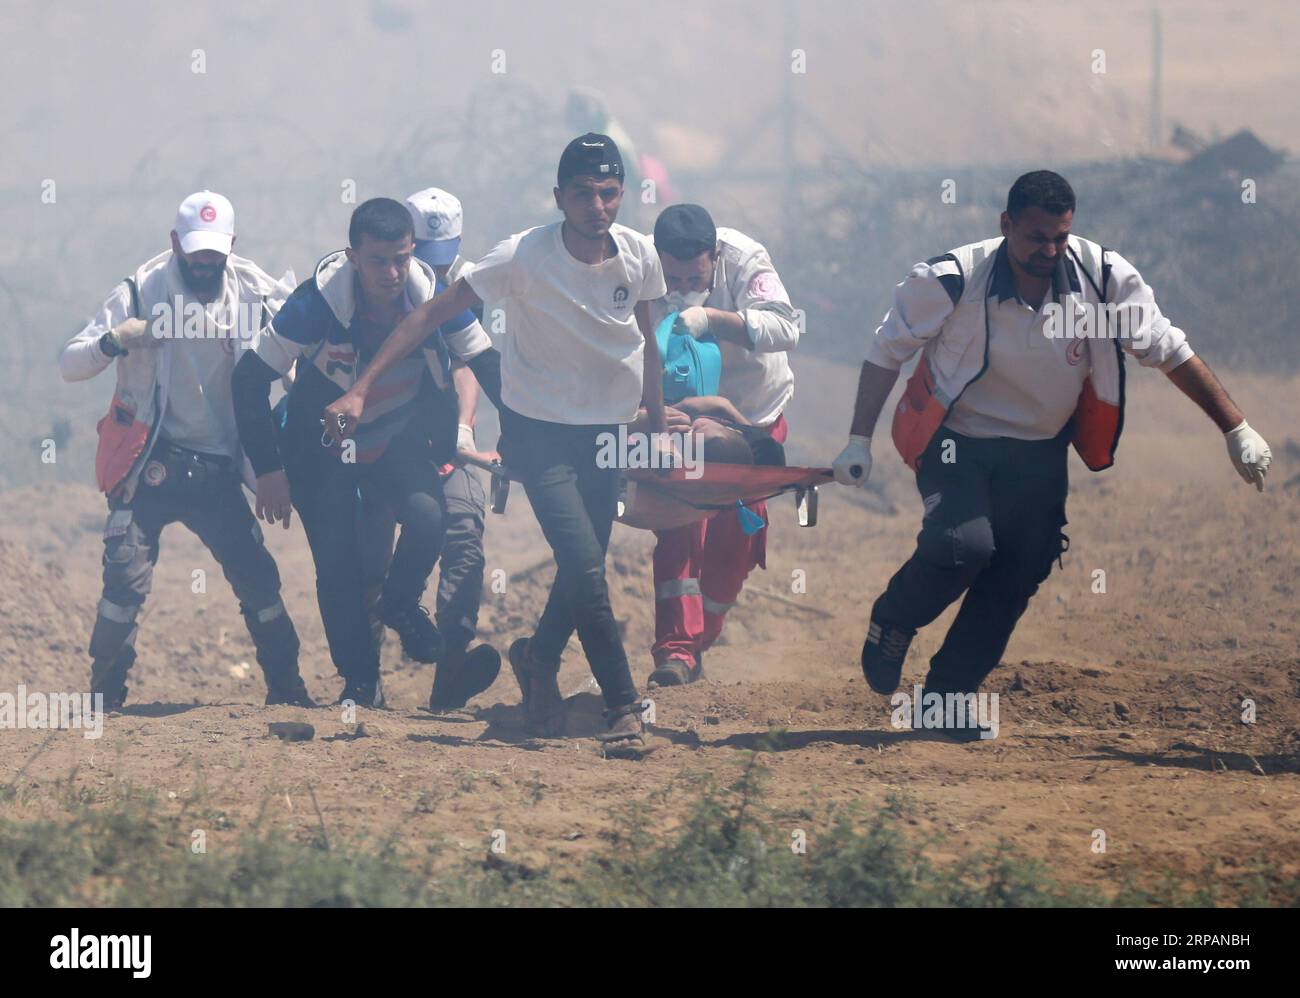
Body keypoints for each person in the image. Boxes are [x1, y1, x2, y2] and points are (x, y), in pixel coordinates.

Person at [831, 170, 1273, 740]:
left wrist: (1235, 428)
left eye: (1060, 237)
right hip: (955, 440)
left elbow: (1166, 348)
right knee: (963, 545)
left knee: (1020, 566)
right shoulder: (952, 279)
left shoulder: (1105, 279)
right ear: (1005, 225)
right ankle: (894, 618)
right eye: (1036, 237)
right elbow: (885, 349)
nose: (1049, 251)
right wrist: (858, 439)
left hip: (1040, 449)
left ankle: (944, 699)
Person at [324, 134, 670, 752]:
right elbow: (428, 318)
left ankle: (537, 660)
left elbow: (650, 345)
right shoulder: (523, 256)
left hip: (608, 436)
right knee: (587, 567)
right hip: (539, 437)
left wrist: (661, 423)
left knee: (578, 565)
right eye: (584, 193)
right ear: (559, 196)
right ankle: (622, 704)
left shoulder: (640, 256)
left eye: (609, 192)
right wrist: (361, 390)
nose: (598, 205)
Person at [231, 198, 500, 709]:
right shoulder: (316, 303)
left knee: (428, 518)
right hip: (320, 448)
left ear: (413, 252)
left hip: (394, 437)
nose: (392, 273)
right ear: (354, 257)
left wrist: (524, 432)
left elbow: (485, 360)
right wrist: (269, 471)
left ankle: (401, 606)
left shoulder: (433, 295)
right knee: (337, 566)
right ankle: (358, 686)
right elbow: (248, 378)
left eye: (401, 258)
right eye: (378, 261)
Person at [60, 191, 310, 710]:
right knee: (123, 582)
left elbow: (300, 354)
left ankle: (288, 690)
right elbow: (71, 362)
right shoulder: (141, 288)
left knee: (258, 581)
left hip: (218, 467)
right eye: (195, 252)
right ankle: (105, 699)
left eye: (215, 254)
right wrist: (115, 341)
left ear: (231, 246)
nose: (204, 263)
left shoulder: (252, 291)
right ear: (175, 242)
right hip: (148, 464)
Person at [354, 187, 501, 712]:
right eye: (423, 262)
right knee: (369, 558)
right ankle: (363, 682)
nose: (430, 275)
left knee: (464, 534)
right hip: (380, 444)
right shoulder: (371, 286)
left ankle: (451, 672)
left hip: (445, 442)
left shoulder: (471, 288)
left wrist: (464, 429)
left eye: (442, 262)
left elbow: (471, 362)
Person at [643, 204, 799, 686]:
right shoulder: (640, 267)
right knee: (679, 524)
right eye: (672, 276)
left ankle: (705, 631)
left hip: (751, 418)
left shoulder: (746, 258)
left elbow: (786, 328)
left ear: (715, 255)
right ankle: (676, 649)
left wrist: (711, 317)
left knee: (737, 535)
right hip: (682, 420)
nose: (682, 286)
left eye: (694, 275)